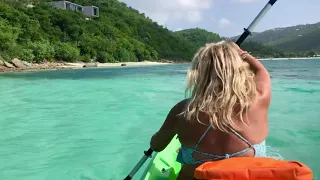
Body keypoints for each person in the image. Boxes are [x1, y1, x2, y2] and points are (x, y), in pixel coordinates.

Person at [149, 40, 271, 180]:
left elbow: (157, 146)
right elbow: (261, 71)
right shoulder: (260, 98)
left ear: (199, 73)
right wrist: (242, 54)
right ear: (241, 71)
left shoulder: (183, 111)